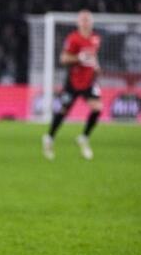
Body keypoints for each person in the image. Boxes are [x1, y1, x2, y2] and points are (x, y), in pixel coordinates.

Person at [42, 10, 102, 160]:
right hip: (73, 81)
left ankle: (84, 137)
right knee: (63, 111)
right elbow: (63, 59)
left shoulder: (96, 38)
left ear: (91, 22)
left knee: (97, 108)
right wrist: (78, 57)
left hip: (89, 81)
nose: (85, 22)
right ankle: (49, 137)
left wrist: (96, 67)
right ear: (78, 23)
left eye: (88, 20)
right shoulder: (73, 39)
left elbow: (93, 56)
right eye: (83, 20)